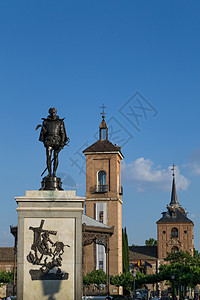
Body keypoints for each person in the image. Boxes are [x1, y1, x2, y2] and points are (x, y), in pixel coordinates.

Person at [38, 107, 68, 177]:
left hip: (57, 140)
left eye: (54, 112)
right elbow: (43, 134)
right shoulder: (45, 122)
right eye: (51, 113)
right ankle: (49, 172)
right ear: (49, 113)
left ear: (56, 113)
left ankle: (54, 172)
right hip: (48, 140)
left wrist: (62, 142)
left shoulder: (60, 122)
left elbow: (62, 133)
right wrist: (44, 132)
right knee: (48, 156)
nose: (53, 114)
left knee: (56, 156)